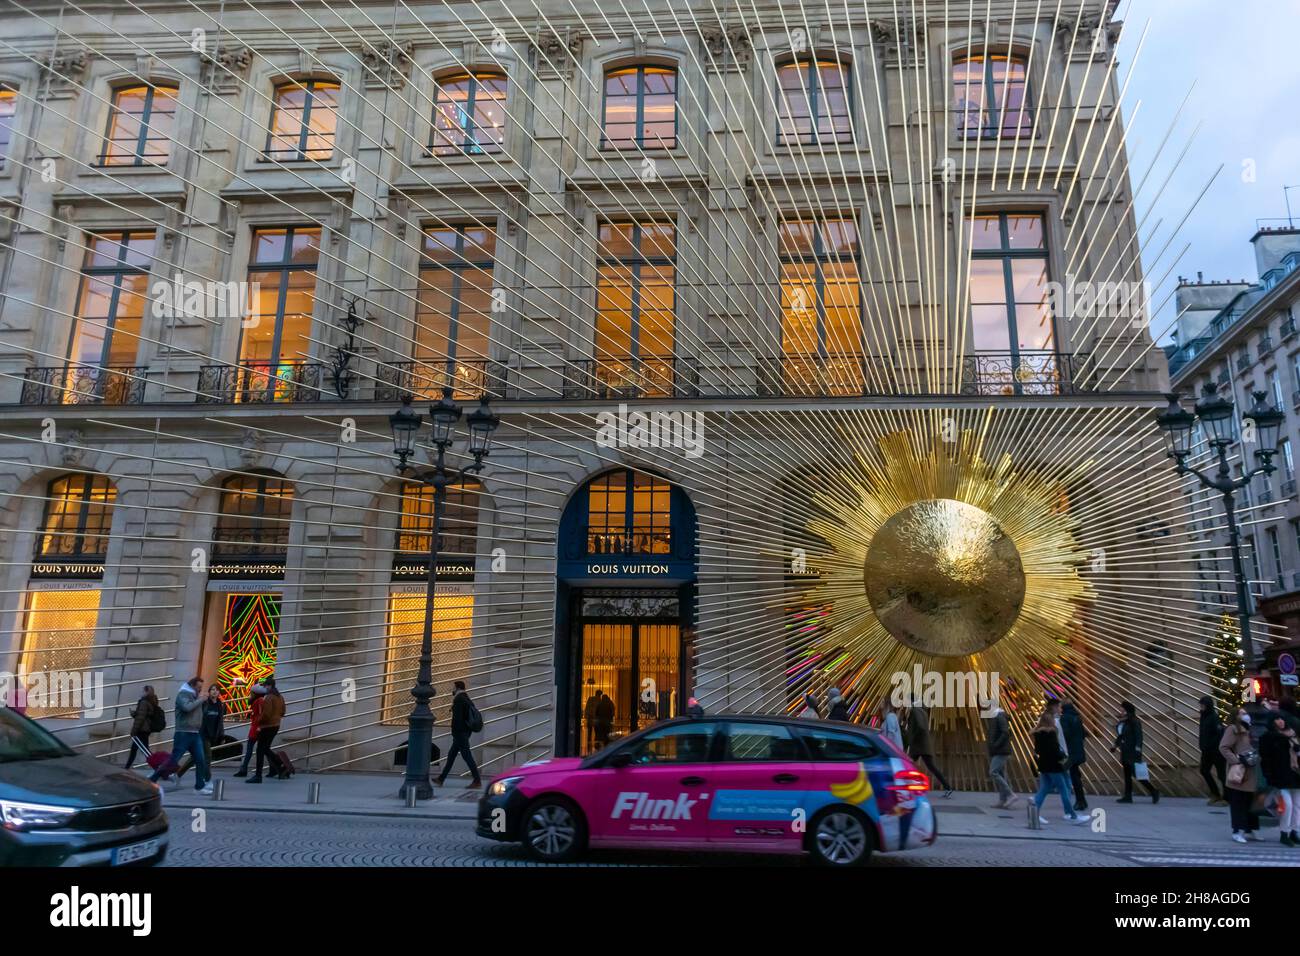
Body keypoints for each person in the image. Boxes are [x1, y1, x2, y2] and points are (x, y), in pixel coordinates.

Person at [149, 676, 211, 795]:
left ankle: (199, 786)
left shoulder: (195, 696)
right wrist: (200, 700)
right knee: (174, 759)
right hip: (183, 733)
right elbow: (187, 708)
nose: (200, 689)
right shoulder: (183, 694)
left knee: (200, 759)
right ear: (192, 686)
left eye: (201, 688)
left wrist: (202, 700)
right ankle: (152, 779)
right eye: (198, 687)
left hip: (195, 733)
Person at [1031, 709, 1087, 825]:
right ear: (1050, 721)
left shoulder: (1037, 733)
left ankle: (1034, 810)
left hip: (1043, 765)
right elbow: (1055, 750)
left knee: (1044, 788)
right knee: (1064, 789)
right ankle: (1072, 815)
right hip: (1054, 766)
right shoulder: (1051, 733)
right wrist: (1063, 757)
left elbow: (1037, 750)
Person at [1220, 708, 1260, 843]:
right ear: (1236, 716)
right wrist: (1235, 760)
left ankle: (1250, 830)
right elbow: (1223, 747)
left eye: (1246, 713)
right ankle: (1237, 830)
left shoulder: (1249, 730)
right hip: (1239, 771)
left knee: (1250, 802)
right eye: (1242, 713)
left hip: (1251, 769)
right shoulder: (1232, 729)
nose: (1246, 715)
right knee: (1238, 802)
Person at [1260, 712, 1300, 846]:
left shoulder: (1293, 735)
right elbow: (1265, 759)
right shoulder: (1269, 738)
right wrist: (1269, 776)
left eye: (1282, 718)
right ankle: (1284, 833)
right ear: (1272, 722)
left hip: (1295, 774)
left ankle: (1295, 832)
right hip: (1280, 776)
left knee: (1296, 805)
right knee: (1287, 805)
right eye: (1277, 719)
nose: (1281, 721)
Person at [436, 680, 481, 788]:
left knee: (467, 756)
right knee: (451, 756)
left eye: (453, 687)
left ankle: (477, 781)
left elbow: (458, 719)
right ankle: (441, 778)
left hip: (460, 733)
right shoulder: (466, 698)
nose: (452, 689)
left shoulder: (459, 699)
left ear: (457, 688)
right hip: (464, 732)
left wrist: (455, 732)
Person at [1111, 700, 1159, 803]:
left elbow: (1139, 736)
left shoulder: (1135, 721)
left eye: (1122, 708)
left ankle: (1154, 791)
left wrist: (1138, 748)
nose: (1120, 710)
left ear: (1127, 710)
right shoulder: (1123, 722)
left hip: (1132, 752)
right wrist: (1115, 745)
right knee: (1127, 775)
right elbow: (1121, 736)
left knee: (1137, 774)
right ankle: (1128, 796)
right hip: (1125, 751)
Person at [906, 699, 953, 797]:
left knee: (907, 764)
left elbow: (920, 727)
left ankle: (909, 787)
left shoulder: (915, 710)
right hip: (923, 745)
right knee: (930, 766)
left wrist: (913, 737)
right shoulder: (922, 711)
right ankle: (947, 787)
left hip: (918, 745)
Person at [247, 677, 285, 784]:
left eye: (265, 686)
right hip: (276, 725)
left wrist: (258, 721)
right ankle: (280, 766)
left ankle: (258, 775)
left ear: (269, 686)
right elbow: (283, 711)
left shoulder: (269, 697)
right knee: (266, 748)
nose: (264, 688)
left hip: (266, 727)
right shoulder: (280, 697)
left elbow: (266, 714)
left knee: (260, 750)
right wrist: (276, 717)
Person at [984, 698, 1018, 808]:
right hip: (999, 750)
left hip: (1001, 750)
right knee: (1002, 774)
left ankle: (1011, 795)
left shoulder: (999, 716)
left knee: (993, 772)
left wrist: (995, 744)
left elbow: (1005, 732)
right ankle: (1002, 800)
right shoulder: (996, 716)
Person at [1197, 697, 1229, 806]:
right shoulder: (1203, 716)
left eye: (1202, 705)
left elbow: (1219, 734)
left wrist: (1212, 745)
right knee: (1204, 770)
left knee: (1221, 774)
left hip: (1216, 751)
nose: (1201, 707)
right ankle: (1215, 793)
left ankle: (1226, 797)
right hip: (1206, 751)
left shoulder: (1214, 717)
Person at [1060, 701, 1089, 812]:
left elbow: (1065, 734)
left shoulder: (1065, 718)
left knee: (1074, 776)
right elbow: (1083, 734)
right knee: (1075, 774)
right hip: (1078, 749)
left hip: (1070, 751)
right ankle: (1081, 800)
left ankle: (1080, 801)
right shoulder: (1077, 717)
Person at [124, 685, 160, 770]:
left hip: (141, 730)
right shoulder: (151, 701)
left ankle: (158, 769)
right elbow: (144, 715)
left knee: (145, 751)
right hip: (145, 730)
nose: (141, 692)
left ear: (147, 692)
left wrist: (134, 731)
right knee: (135, 749)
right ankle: (126, 768)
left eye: (143, 691)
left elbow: (141, 718)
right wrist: (135, 714)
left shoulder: (144, 702)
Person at [234, 684, 266, 777]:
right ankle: (243, 769)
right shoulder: (260, 700)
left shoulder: (258, 701)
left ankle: (244, 769)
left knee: (250, 750)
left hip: (256, 728)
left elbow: (260, 714)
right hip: (256, 727)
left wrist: (259, 726)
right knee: (258, 749)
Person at [583, 679, 600, 752]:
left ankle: (589, 745)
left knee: (591, 733)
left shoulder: (591, 699)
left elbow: (587, 708)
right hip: (595, 719)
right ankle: (594, 745)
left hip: (591, 718)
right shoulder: (599, 700)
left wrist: (586, 716)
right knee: (596, 732)